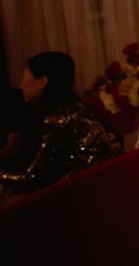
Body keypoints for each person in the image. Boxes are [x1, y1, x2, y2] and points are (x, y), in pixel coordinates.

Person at [0, 52, 120, 199]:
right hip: (101, 182)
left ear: (42, 82)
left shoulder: (57, 120)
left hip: (87, 191)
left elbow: (33, 177)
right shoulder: (74, 107)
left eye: (24, 78)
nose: (21, 85)